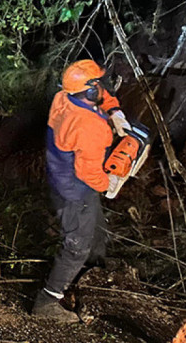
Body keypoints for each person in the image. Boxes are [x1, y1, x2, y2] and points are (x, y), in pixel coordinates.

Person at [34, 58, 130, 323]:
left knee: (97, 232)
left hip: (64, 178)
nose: (103, 87)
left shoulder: (63, 97)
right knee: (76, 245)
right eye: (98, 85)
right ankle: (47, 301)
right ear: (89, 91)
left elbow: (102, 96)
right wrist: (108, 183)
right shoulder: (89, 126)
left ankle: (91, 279)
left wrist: (114, 111)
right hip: (74, 190)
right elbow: (88, 173)